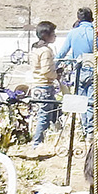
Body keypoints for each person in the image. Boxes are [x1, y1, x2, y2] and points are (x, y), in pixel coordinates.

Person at [56, 8, 97, 138]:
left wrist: (53, 66)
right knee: (91, 101)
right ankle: (90, 131)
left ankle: (85, 129)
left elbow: (62, 53)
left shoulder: (73, 33)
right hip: (92, 70)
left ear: (78, 19)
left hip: (78, 71)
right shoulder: (94, 33)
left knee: (81, 100)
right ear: (91, 19)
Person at [29, 21, 59, 149]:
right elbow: (46, 71)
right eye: (53, 33)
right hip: (44, 86)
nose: (55, 36)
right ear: (46, 35)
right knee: (44, 116)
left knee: (51, 113)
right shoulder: (46, 51)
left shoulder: (36, 49)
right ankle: (37, 143)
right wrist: (57, 74)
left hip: (37, 85)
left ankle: (45, 139)